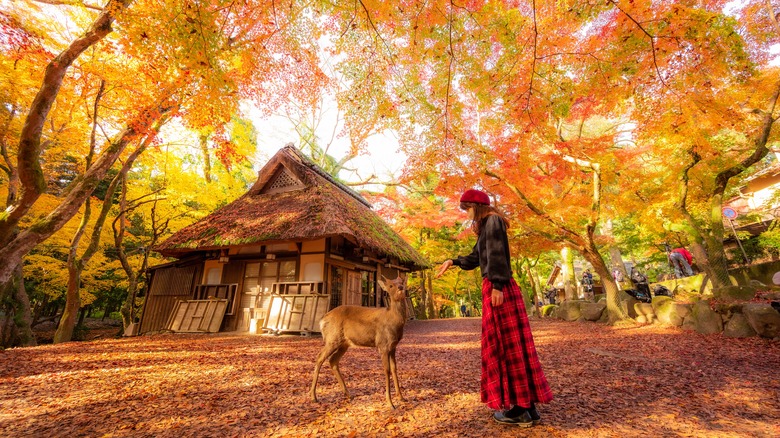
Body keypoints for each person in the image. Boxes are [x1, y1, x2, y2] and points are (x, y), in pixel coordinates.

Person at [436, 189, 553, 427]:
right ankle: (526, 406)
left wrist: (497, 285)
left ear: (476, 206)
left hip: (499, 288)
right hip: (497, 286)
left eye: (467, 209)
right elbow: (476, 257)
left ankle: (521, 410)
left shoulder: (493, 221)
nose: (467, 214)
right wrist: (453, 261)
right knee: (512, 345)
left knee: (506, 346)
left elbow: (497, 255)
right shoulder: (488, 225)